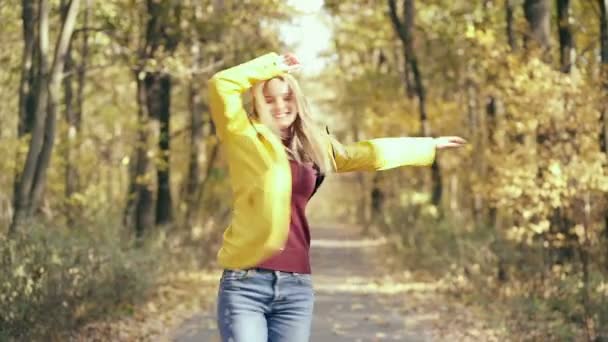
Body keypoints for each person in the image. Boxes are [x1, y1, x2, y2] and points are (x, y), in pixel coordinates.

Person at [207, 52, 466, 342]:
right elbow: (222, 83)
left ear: (298, 100)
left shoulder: (313, 145)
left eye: (287, 97)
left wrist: (426, 146)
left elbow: (366, 154)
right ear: (257, 104)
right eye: (269, 100)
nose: (280, 105)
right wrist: (275, 65)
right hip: (246, 284)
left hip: (296, 285)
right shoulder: (242, 136)